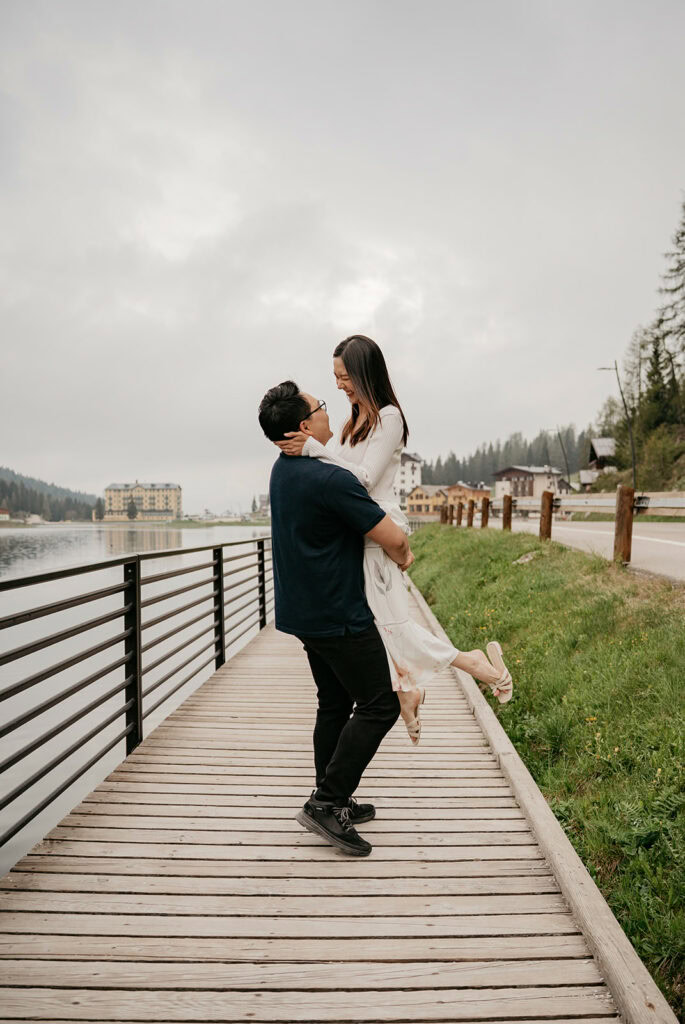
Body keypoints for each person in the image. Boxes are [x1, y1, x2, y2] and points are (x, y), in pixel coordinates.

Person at [276, 335, 513, 745]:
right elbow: (339, 478)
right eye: (334, 377)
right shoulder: (352, 423)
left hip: (377, 528)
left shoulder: (389, 418)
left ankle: (471, 664)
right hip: (357, 534)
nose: (339, 385)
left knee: (393, 624)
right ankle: (406, 690)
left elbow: (363, 478)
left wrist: (314, 448)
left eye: (345, 376)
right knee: (374, 626)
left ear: (366, 374)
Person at [258, 380, 414, 857]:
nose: (330, 410)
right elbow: (393, 538)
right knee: (379, 704)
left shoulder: (283, 470)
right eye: (321, 407)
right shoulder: (330, 479)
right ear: (305, 426)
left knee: (334, 702)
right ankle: (326, 801)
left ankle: (334, 797)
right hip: (338, 613)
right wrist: (404, 552)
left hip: (302, 611)